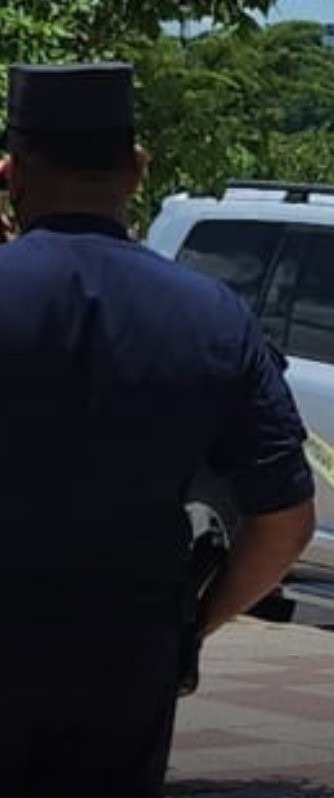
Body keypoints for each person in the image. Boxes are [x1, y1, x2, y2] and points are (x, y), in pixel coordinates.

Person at [0, 63, 316, 797]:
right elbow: (287, 523)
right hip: (126, 657)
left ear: (11, 173)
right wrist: (193, 625)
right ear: (137, 170)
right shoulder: (213, 316)